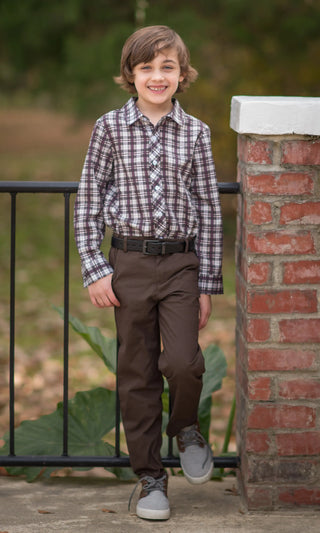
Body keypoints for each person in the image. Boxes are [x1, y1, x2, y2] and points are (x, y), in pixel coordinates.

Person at [74, 25, 223, 521]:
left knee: (182, 360)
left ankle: (186, 427)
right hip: (128, 265)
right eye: (147, 68)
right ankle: (152, 478)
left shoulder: (197, 133)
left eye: (167, 67)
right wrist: (96, 267)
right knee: (135, 371)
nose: (157, 76)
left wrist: (206, 283)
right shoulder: (109, 129)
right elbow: (90, 201)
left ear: (182, 75)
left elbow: (208, 208)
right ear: (130, 74)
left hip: (181, 263)